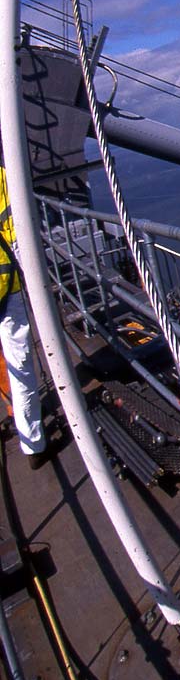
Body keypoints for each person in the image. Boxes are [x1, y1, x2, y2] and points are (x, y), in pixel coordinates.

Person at [0, 166, 44, 468]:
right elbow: (19, 232)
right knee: (20, 364)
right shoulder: (4, 177)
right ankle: (34, 446)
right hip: (6, 285)